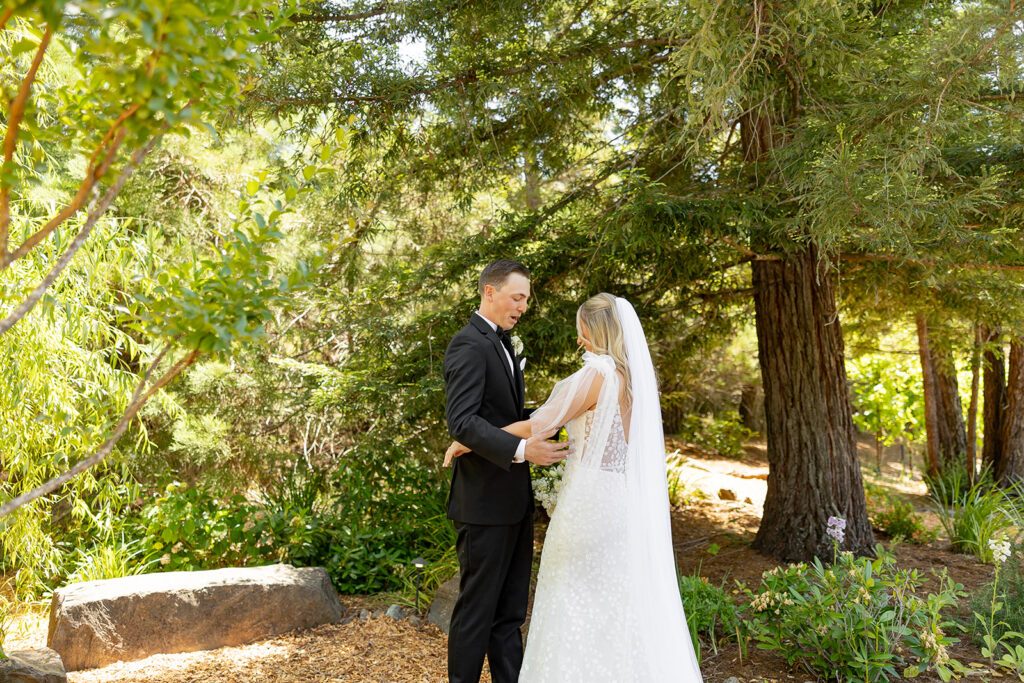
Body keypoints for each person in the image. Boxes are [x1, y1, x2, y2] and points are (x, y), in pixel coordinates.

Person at [447, 293, 703, 682]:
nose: (578, 337)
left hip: (589, 505)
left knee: (573, 596)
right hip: (618, 500)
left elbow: (540, 424)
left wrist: (471, 439)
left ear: (593, 327)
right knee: (613, 601)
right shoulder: (630, 378)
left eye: (580, 327)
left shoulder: (597, 373)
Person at [443, 259, 570, 683]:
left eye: (527, 299)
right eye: (518, 297)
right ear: (490, 293)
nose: (523, 306)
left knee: (510, 613)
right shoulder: (468, 344)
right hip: (482, 504)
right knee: (477, 612)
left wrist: (572, 408)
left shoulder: (504, 343)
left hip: (513, 503)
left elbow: (505, 415)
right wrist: (521, 448)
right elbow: (462, 421)